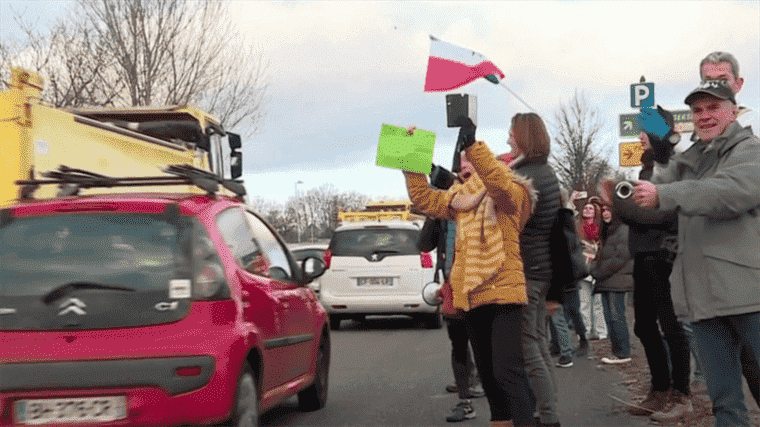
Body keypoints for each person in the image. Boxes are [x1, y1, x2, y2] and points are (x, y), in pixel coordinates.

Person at [633, 79, 760, 427]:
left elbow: (728, 192)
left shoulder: (750, 150)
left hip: (748, 295)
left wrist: (667, 192)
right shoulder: (693, 158)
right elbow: (660, 188)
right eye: (697, 110)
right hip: (703, 298)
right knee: (725, 404)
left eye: (713, 107)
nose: (703, 116)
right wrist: (661, 148)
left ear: (733, 111)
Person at [403, 120, 537, 427]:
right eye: (461, 162)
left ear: (485, 162)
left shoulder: (514, 192)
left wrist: (473, 146)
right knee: (489, 377)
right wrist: (411, 154)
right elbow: (424, 199)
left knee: (508, 372)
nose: (464, 166)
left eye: (470, 161)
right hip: (472, 293)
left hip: (503, 291)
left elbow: (499, 185)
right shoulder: (460, 200)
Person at [599, 105, 692, 419]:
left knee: (671, 327)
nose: (638, 136)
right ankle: (660, 389)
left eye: (644, 129)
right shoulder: (646, 169)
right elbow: (641, 212)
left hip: (664, 256)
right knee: (642, 326)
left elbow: (657, 214)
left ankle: (682, 396)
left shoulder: (673, 166)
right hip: (644, 256)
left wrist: (617, 202)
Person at [698, 51, 760, 408]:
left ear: (738, 84)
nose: (716, 86)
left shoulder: (749, 137)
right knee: (727, 391)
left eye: (722, 80)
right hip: (716, 282)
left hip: (750, 275)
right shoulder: (705, 141)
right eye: (708, 79)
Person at [506, 113, 564, 427]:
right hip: (542, 267)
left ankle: (549, 417)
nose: (507, 140)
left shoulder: (526, 176)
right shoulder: (546, 172)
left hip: (528, 267)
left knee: (528, 345)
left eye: (511, 134)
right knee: (538, 342)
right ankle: (548, 411)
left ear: (523, 137)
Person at [589, 203, 633, 365]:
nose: (606, 213)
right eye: (604, 211)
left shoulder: (623, 229)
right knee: (610, 318)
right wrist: (593, 267)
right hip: (607, 280)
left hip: (617, 280)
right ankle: (617, 351)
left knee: (616, 316)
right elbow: (602, 256)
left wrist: (596, 271)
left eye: (609, 210)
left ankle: (623, 352)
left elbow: (619, 258)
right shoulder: (607, 231)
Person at [575, 201, 608, 343]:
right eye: (585, 208)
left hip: (598, 269)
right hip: (582, 270)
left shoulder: (601, 229)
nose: (587, 210)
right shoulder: (577, 228)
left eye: (591, 208)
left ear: (595, 212)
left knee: (598, 303)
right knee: (584, 302)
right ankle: (586, 331)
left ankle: (601, 332)